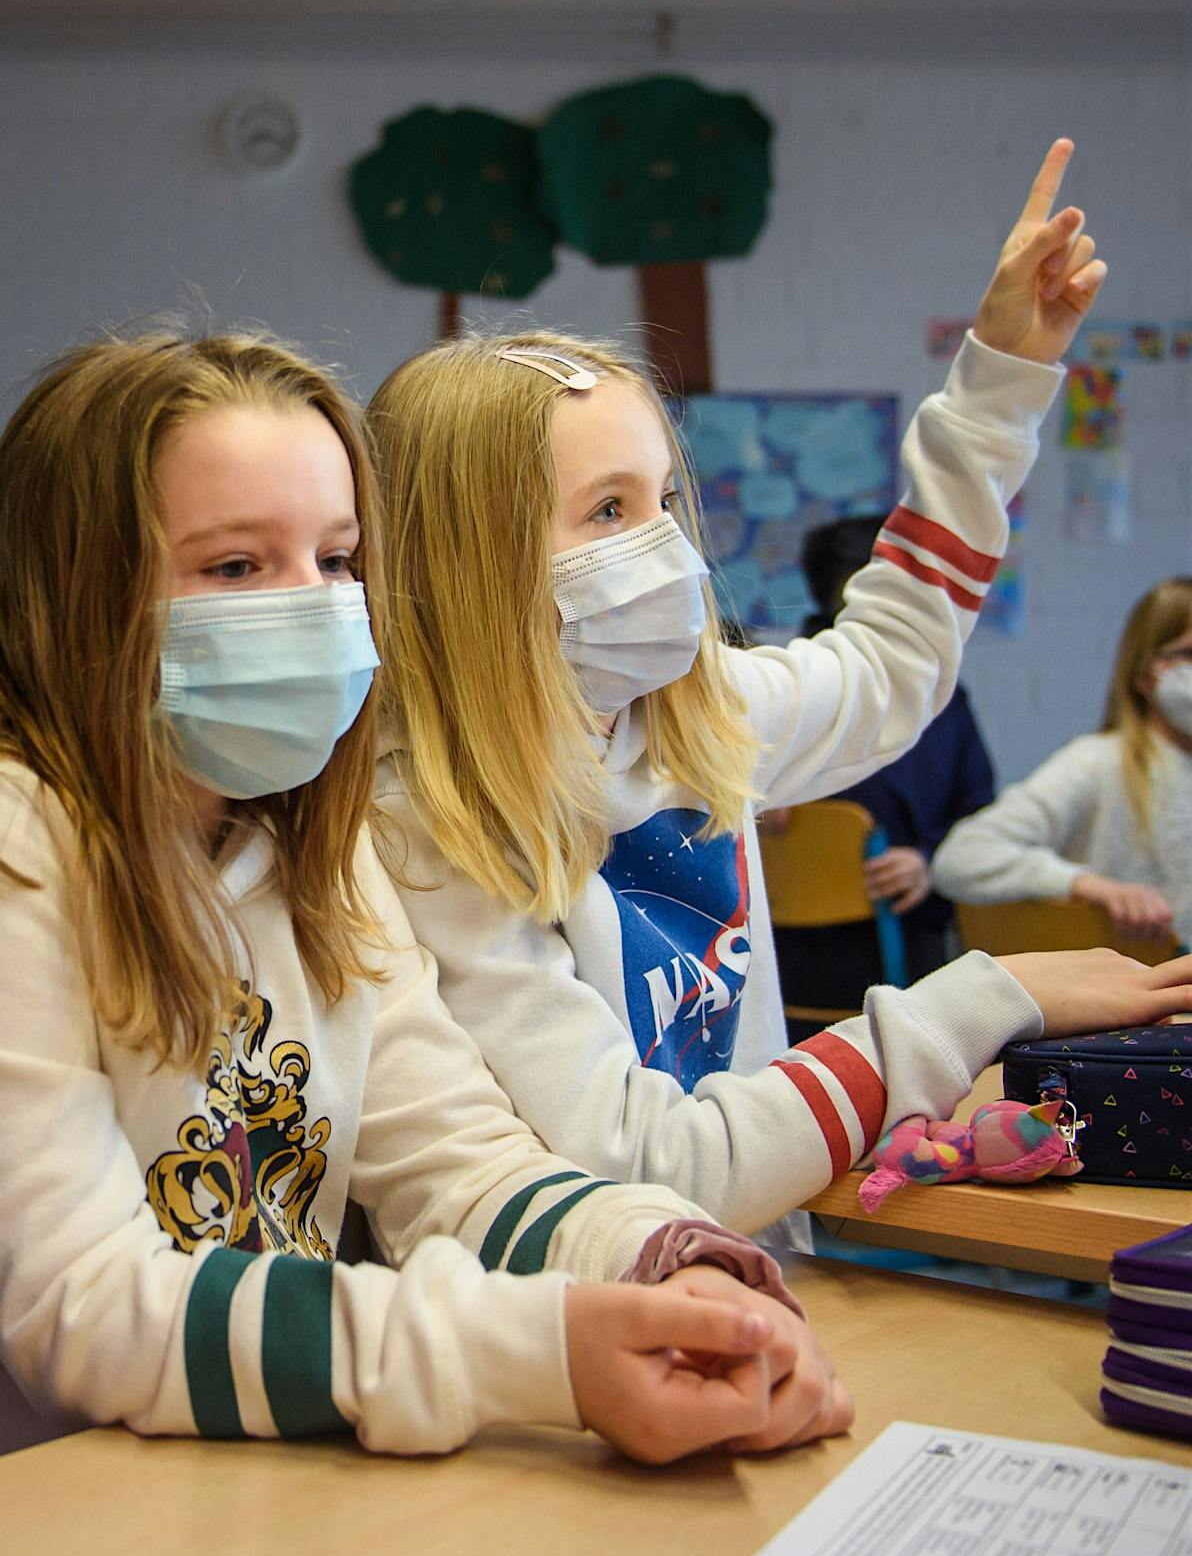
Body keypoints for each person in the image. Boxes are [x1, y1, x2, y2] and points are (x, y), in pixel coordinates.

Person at [0, 328, 855, 1492]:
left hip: (204, 1480)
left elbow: (458, 1162)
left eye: (336, 560)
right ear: (80, 588)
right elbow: (79, 1309)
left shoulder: (297, 821)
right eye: (235, 567)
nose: (311, 608)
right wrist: (545, 1352)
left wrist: (660, 1268)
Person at [365, 141, 1191, 1239]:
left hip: (757, 1287)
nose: (664, 547)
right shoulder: (425, 820)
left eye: (662, 496)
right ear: (469, 558)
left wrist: (997, 377)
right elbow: (648, 1167)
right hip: (569, 1340)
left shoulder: (698, 718)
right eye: (607, 509)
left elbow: (896, 661)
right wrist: (985, 995)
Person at [769, 513, 998, 1007]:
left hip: (910, 931)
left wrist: (929, 861)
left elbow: (980, 814)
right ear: (833, 599)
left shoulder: (941, 699)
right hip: (791, 947)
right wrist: (755, 797)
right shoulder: (785, 689)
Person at [934, 576, 1192, 949]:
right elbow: (962, 856)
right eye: (1188, 654)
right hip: (1132, 992)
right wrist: (1086, 886)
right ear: (1145, 674)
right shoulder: (1098, 763)